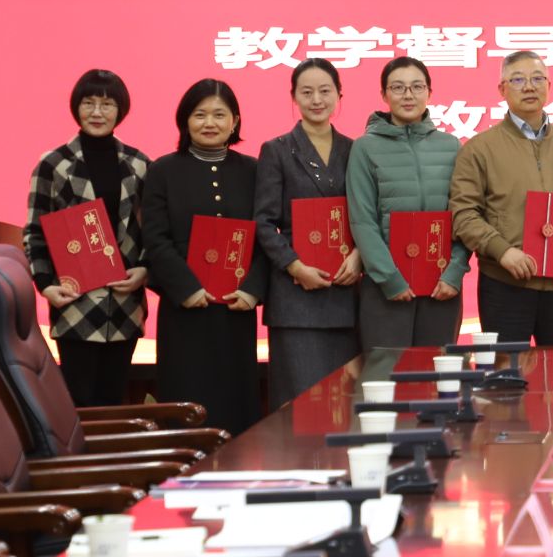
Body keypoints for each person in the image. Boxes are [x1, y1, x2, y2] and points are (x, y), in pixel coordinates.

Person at [141, 79, 267, 434]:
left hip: (236, 307)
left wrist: (253, 289)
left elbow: (267, 235)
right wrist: (186, 288)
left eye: (219, 114)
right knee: (187, 401)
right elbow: (155, 238)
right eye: (199, 114)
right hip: (184, 309)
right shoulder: (162, 170)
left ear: (235, 121)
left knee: (236, 403)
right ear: (184, 120)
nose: (209, 123)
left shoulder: (254, 170)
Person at [21, 68, 151, 409]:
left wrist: (145, 270)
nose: (97, 112)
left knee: (113, 401)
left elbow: (154, 231)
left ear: (120, 110)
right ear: (76, 107)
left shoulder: (139, 164)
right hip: (74, 302)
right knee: (77, 404)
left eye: (107, 104)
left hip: (125, 304)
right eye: (88, 103)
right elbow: (35, 231)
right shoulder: (53, 164)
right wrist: (45, 285)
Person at [449, 49, 553, 347]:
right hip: (504, 284)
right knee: (505, 371)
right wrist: (502, 251)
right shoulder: (479, 148)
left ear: (549, 86)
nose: (529, 87)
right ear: (502, 89)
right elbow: (464, 214)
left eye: (537, 79)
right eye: (518, 79)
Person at [253, 58, 361, 407]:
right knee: (299, 406)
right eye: (307, 92)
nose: (317, 100)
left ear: (339, 95)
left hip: (346, 292)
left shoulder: (355, 149)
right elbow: (264, 222)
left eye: (325, 91)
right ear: (294, 97)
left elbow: (366, 215)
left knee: (343, 403)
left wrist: (359, 256)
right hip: (295, 297)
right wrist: (295, 267)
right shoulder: (276, 150)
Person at [348, 57, 470, 356]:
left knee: (437, 376)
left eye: (417, 87)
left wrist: (454, 273)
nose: (408, 95)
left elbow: (466, 215)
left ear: (429, 92)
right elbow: (363, 220)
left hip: (441, 288)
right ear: (384, 94)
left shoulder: (451, 146)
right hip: (385, 289)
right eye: (398, 87)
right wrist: (390, 279)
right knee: (385, 376)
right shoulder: (364, 147)